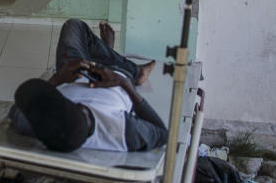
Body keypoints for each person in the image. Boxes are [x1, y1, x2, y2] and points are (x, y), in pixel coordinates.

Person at [9, 19, 167, 153]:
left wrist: (58, 78)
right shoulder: (122, 131)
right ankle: (136, 71)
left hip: (74, 73)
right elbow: (162, 132)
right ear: (80, 107)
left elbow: (17, 109)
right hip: (117, 74)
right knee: (113, 62)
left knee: (74, 26)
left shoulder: (39, 126)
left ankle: (106, 50)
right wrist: (126, 85)